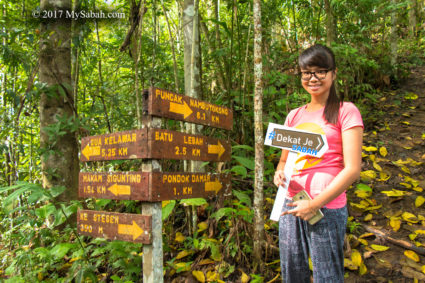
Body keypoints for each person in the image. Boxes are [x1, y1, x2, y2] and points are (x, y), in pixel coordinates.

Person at [273, 44, 363, 283]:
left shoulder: (346, 111)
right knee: (292, 271)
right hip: (291, 203)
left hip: (326, 206)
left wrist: (315, 204)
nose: (313, 78)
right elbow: (284, 160)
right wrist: (279, 173)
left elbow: (353, 169)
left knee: (327, 274)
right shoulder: (294, 115)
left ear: (333, 74)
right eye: (306, 72)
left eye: (320, 71)